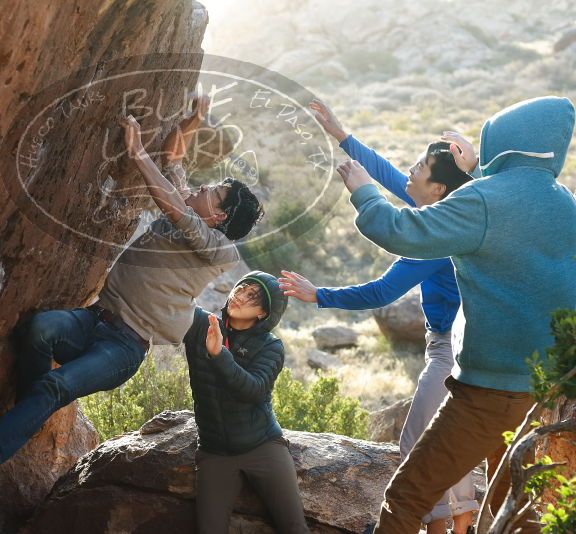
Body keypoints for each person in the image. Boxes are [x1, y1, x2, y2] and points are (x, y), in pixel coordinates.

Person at [0, 94, 264, 480]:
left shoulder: (218, 248)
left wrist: (137, 152)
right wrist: (192, 121)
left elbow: (174, 206)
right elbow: (173, 160)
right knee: (39, 330)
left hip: (124, 348)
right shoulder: (190, 208)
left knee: (57, 383)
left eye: (213, 192)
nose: (203, 188)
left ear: (218, 215)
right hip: (95, 320)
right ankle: (25, 420)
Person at [335, 96, 576, 534]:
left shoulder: (484, 199)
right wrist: (480, 169)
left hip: (486, 391)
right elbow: (508, 211)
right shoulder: (565, 204)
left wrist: (364, 192)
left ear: (502, 140)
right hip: (541, 391)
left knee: (405, 498)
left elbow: (402, 231)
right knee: (515, 510)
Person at [279, 99, 476, 534]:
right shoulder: (457, 211)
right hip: (462, 343)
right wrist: (341, 134)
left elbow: (381, 291)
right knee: (449, 437)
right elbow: (389, 173)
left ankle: (438, 527)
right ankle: (459, 523)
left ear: (437, 189)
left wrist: (319, 295)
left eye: (420, 166)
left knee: (417, 443)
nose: (411, 169)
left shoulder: (436, 238)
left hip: (450, 348)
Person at [183, 270, 309, 534]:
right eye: (241, 289)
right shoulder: (201, 325)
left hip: (262, 447)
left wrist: (219, 355)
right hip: (214, 451)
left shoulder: (271, 346)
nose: (240, 296)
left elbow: (254, 390)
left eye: (252, 296)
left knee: (295, 529)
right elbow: (173, 303)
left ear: (264, 313)